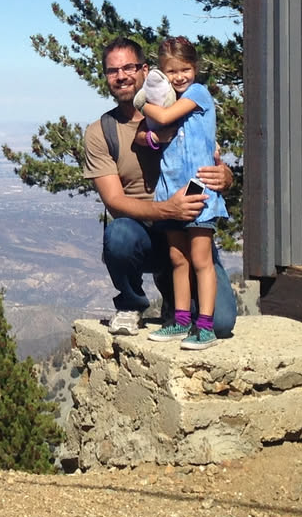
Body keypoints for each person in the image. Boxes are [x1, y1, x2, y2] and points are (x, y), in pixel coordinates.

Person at [82, 37, 237, 339]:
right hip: (146, 233)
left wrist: (225, 177)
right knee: (119, 234)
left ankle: (176, 306)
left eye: (129, 67)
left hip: (188, 224)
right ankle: (131, 304)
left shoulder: (185, 109)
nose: (121, 76)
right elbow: (114, 201)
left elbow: (209, 155)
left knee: (220, 323)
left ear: (147, 70)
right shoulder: (101, 132)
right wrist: (166, 209)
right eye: (112, 70)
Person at [137, 37, 227, 350]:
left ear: (195, 67)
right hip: (170, 188)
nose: (179, 77)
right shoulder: (167, 100)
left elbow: (162, 118)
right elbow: (151, 131)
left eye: (185, 69)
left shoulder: (198, 92)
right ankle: (181, 320)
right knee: (178, 258)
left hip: (198, 185)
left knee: (201, 259)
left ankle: (206, 326)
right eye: (171, 71)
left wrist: (139, 101)